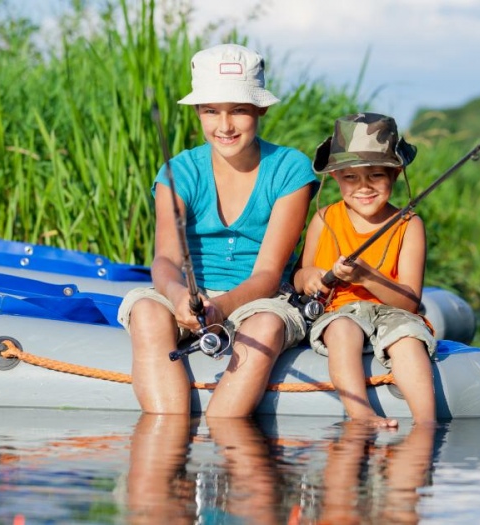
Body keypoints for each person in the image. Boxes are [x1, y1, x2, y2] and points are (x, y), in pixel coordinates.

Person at [117, 43, 316, 417]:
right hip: (188, 294)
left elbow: (268, 274)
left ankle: (224, 428)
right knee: (146, 311)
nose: (224, 126)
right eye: (211, 111)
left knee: (266, 326)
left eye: (238, 110)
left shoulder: (291, 169)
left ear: (260, 108)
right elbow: (165, 260)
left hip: (259, 299)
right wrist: (179, 296)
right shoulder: (180, 171)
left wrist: (219, 308)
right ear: (197, 112)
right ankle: (166, 435)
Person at [293, 113, 436, 427]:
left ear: (395, 174)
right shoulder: (324, 219)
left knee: (407, 340)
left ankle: (427, 424)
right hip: (340, 312)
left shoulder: (409, 225)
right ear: (335, 177)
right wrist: (311, 277)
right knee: (342, 330)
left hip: (392, 312)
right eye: (351, 177)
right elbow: (300, 277)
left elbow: (409, 303)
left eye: (376, 175)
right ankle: (362, 415)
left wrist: (367, 277)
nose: (364, 187)